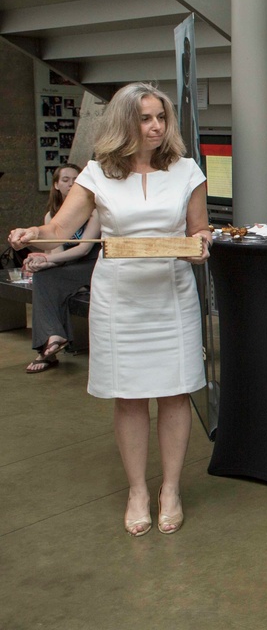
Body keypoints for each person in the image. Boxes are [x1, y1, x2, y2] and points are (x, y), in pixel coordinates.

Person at [9, 83, 212, 538]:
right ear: (124, 123)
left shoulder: (186, 170)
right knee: (130, 395)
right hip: (119, 297)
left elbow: (201, 230)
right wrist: (30, 234)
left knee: (176, 391)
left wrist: (201, 246)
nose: (156, 126)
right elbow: (60, 228)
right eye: (145, 118)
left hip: (171, 292)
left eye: (160, 117)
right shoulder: (98, 174)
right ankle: (138, 490)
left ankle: (172, 490)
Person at [21, 163, 101, 373]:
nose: (71, 184)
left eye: (76, 180)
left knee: (49, 280)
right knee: (43, 277)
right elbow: (56, 255)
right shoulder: (51, 216)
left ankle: (46, 351)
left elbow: (83, 249)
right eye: (65, 180)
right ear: (56, 184)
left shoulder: (94, 211)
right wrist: (41, 260)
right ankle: (53, 339)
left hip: (93, 265)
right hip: (72, 269)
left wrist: (48, 262)